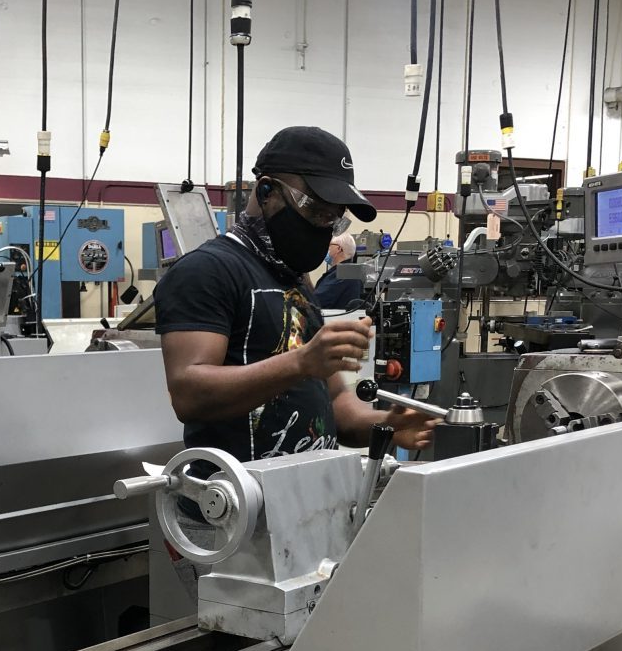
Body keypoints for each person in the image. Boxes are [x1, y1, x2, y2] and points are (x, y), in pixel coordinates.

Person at [154, 125, 436, 470]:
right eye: (315, 210)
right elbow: (188, 394)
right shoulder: (207, 270)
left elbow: (337, 404)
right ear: (267, 191)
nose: (322, 227)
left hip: (306, 494)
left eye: (333, 220)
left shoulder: (296, 279)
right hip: (236, 498)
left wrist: (388, 425)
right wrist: (300, 363)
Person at [311, 231, 364, 310]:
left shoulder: (344, 273)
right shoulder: (351, 271)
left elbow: (317, 302)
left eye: (329, 245)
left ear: (338, 249)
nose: (327, 249)